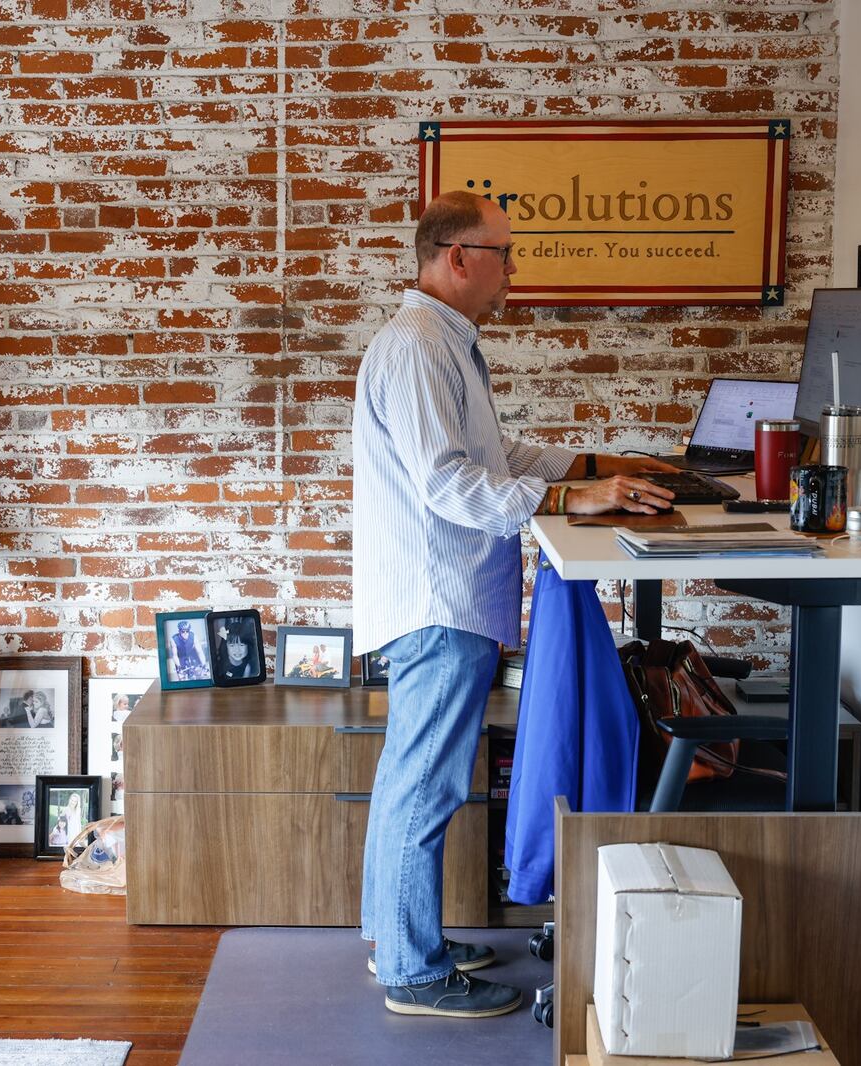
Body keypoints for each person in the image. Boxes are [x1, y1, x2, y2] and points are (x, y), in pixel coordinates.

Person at [352, 190, 676, 1019]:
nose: (513, 272)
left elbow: (495, 454)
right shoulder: (422, 346)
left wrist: (599, 464)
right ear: (456, 257)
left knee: (410, 778)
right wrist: (574, 502)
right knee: (425, 785)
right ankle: (414, 975)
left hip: (441, 595)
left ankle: (399, 937)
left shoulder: (440, 343)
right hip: (440, 598)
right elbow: (448, 483)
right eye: (504, 253)